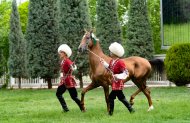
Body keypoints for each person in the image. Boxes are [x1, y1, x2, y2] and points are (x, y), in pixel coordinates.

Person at [100, 42, 135, 116]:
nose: (109, 52)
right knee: (121, 97)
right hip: (114, 83)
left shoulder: (120, 62)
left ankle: (110, 113)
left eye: (111, 52)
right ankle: (131, 109)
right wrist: (103, 63)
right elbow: (110, 68)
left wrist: (118, 76)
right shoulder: (112, 61)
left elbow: (126, 73)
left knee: (110, 97)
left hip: (118, 83)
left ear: (114, 53)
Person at [56, 44, 82, 112]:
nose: (60, 54)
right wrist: (61, 76)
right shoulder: (63, 61)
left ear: (65, 53)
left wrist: (73, 66)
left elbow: (73, 68)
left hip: (68, 81)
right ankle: (65, 109)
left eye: (61, 52)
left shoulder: (67, 61)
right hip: (64, 81)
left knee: (74, 96)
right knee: (58, 94)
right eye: (60, 52)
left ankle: (82, 108)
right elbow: (62, 71)